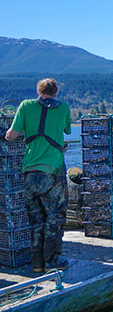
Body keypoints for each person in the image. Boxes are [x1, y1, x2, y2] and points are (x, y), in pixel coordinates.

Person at [5, 78, 71, 272]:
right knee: (54, 217)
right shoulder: (64, 107)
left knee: (35, 220)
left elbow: (11, 135)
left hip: (30, 172)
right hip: (53, 172)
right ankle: (51, 262)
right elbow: (67, 129)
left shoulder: (25, 105)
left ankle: (37, 265)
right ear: (56, 92)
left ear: (38, 91)